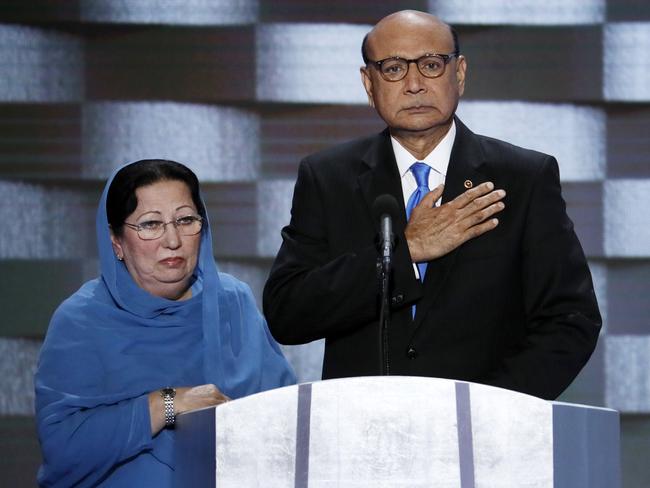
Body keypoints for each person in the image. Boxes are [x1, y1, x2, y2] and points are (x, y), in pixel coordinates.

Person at [263, 10, 601, 400]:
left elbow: (570, 320)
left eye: (430, 65)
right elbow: (288, 313)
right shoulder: (327, 178)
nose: (414, 84)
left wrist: (489, 410)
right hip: (361, 434)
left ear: (458, 73)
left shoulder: (523, 177)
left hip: (487, 435)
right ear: (368, 83)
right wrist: (404, 253)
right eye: (393, 68)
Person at [35, 159, 296, 487]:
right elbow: (64, 448)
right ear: (116, 241)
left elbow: (286, 417)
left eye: (186, 220)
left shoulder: (232, 301)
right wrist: (166, 404)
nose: (172, 240)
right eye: (150, 224)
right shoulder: (82, 321)